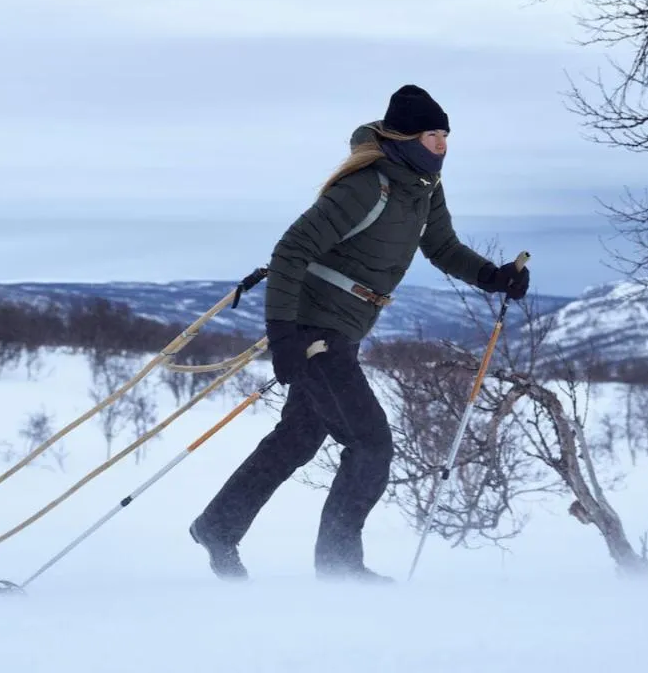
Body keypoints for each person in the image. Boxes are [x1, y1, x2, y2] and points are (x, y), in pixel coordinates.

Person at [189, 84, 529, 582]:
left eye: (446, 135)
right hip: (315, 327)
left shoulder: (424, 188)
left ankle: (218, 526)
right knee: (370, 444)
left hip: (344, 327)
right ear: (406, 136)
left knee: (299, 437)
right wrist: (283, 335)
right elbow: (290, 251)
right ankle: (339, 568)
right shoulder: (367, 185)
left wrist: (492, 276)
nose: (442, 145)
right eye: (433, 134)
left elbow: (442, 246)